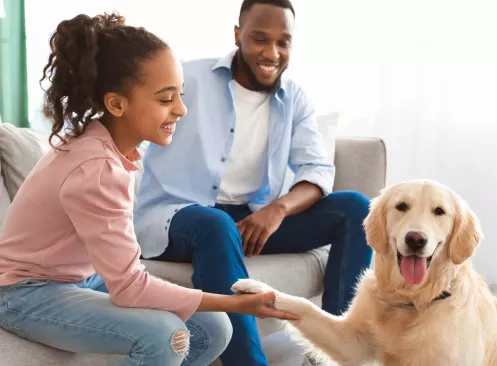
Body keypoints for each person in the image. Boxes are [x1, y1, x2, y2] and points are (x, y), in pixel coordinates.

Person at [0, 13, 298, 366]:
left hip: (79, 278)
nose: (181, 109)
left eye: (180, 96)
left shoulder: (113, 148)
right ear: (116, 104)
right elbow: (130, 286)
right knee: (165, 336)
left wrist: (224, 308)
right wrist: (236, 303)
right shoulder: (95, 169)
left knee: (215, 327)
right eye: (165, 99)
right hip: (23, 293)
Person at [133, 0, 374, 365]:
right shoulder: (187, 79)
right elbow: (128, 116)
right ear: (237, 35)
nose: (272, 53)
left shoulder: (294, 98)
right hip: (178, 215)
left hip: (251, 218)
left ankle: (337, 353)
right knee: (215, 225)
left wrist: (278, 209)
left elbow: (317, 170)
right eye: (260, 39)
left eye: (283, 42)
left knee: (356, 209)